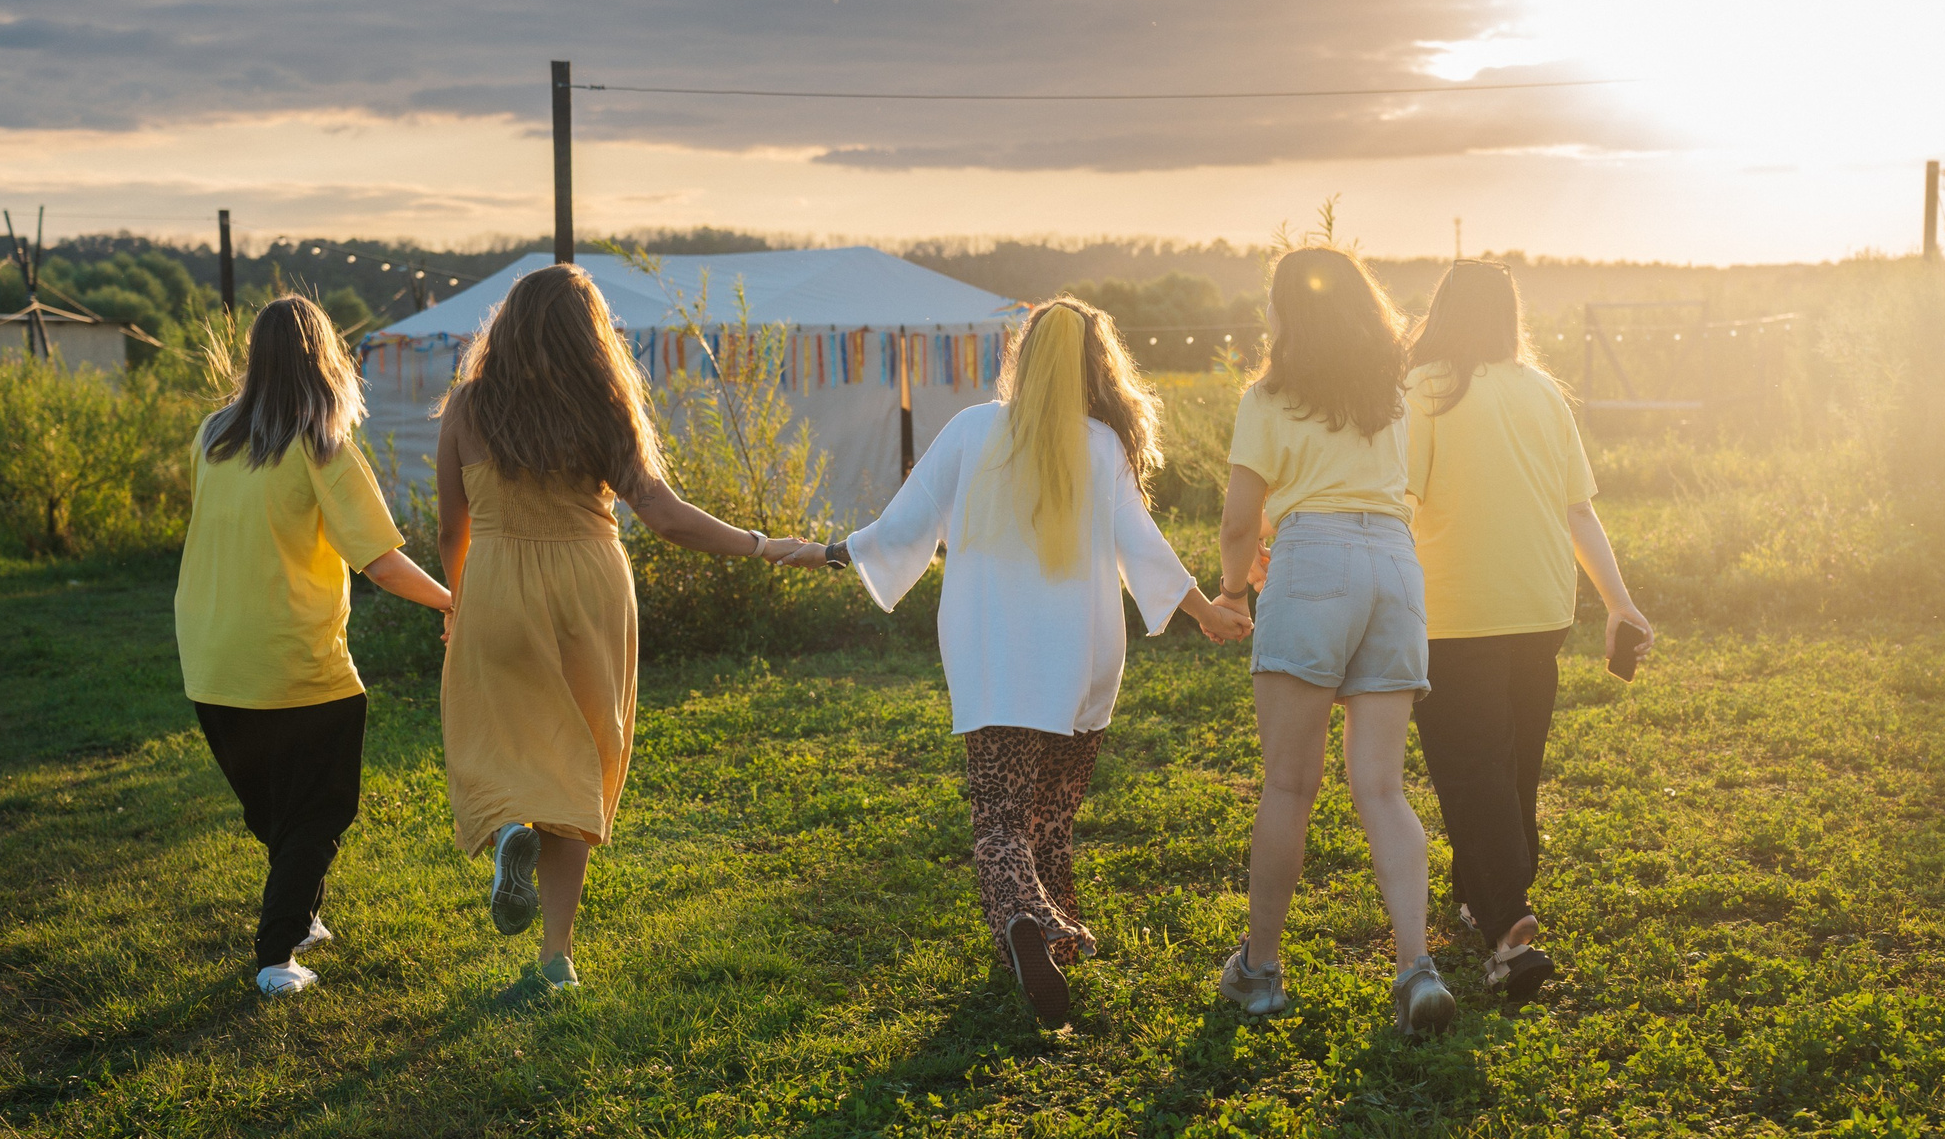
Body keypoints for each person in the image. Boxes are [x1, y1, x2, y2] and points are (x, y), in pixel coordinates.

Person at [814, 299, 1251, 1026]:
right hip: (1081, 655)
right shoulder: (1103, 445)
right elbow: (1142, 546)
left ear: (1022, 354)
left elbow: (901, 526)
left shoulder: (970, 429)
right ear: (1095, 365)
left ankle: (1024, 922)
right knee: (1050, 815)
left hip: (994, 652)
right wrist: (1206, 612)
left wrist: (832, 551)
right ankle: (1058, 936)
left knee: (999, 819)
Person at [435, 264, 820, 999]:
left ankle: (513, 824)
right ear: (591, 335)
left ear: (508, 327)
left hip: (496, 588)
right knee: (583, 753)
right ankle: (556, 957)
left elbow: (454, 524)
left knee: (502, 734)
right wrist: (764, 544)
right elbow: (667, 516)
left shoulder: (467, 405)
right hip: (590, 588)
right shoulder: (604, 408)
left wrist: (459, 603)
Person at [176, 296, 457, 997]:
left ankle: (299, 913)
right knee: (320, 810)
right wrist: (459, 603)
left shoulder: (213, 436)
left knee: (275, 810)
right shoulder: (323, 443)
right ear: (326, 357)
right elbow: (382, 562)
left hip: (210, 659)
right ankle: (277, 958)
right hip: (295, 661)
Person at [1212, 245, 1454, 1035]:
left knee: (1289, 785)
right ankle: (1416, 969)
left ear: (1287, 313)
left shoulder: (1269, 395)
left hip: (1312, 559)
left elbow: (1242, 518)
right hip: (1394, 562)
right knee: (1382, 788)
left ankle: (1261, 972)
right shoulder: (1389, 396)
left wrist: (1231, 583)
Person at [1405, 262, 1649, 1001]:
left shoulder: (1424, 391)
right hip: (1543, 607)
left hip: (1454, 612)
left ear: (1442, 311)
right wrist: (1618, 602)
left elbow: (1397, 502)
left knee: (1470, 766)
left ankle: (1509, 924)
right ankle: (1477, 891)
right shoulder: (1544, 393)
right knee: (1513, 767)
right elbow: (1580, 512)